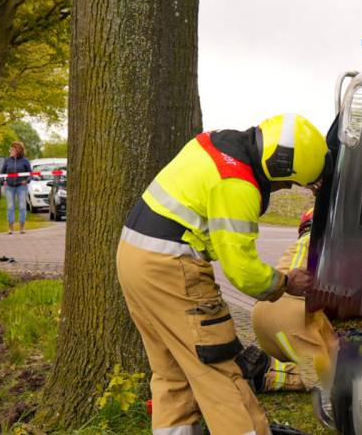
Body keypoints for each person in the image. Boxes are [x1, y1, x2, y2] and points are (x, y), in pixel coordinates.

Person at [117, 114, 328, 435]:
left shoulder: (214, 141)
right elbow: (244, 274)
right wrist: (287, 282)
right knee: (220, 370)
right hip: (172, 269)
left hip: (132, 258)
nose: (285, 188)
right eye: (289, 181)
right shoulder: (237, 184)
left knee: (171, 373)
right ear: (281, 165)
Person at [249, 207, 338, 392]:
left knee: (325, 358)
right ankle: (266, 374)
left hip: (262, 312)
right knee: (328, 379)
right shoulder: (321, 242)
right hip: (292, 312)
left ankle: (272, 367)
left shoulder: (298, 246)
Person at [0, 141, 31, 235]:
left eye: (13, 149)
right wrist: (3, 181)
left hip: (21, 187)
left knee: (22, 206)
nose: (11, 150)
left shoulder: (25, 161)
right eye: (11, 149)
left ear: (18, 150)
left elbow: (30, 174)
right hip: (9, 187)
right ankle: (10, 228)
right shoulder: (7, 160)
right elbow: (1, 173)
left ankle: (22, 227)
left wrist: (26, 180)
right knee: (10, 207)